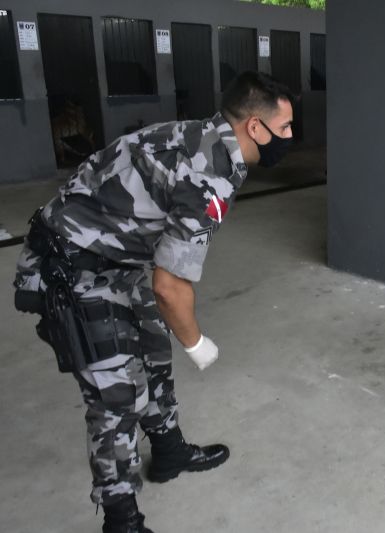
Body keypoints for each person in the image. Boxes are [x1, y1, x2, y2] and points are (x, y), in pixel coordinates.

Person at [13, 72, 294, 533]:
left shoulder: (209, 138)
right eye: (284, 128)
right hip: (70, 267)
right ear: (255, 128)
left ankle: (168, 450)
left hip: (113, 257)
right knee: (117, 396)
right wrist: (197, 343)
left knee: (153, 351)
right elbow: (170, 287)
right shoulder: (210, 172)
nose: (290, 137)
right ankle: (122, 520)